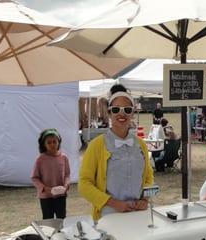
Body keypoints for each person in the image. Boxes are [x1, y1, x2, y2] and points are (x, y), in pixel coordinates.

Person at [78, 84, 154, 221]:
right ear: (109, 112)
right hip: (108, 216)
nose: (122, 113)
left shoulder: (141, 144)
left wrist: (145, 199)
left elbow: (148, 177)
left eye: (127, 109)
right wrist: (114, 204)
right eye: (116, 109)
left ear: (132, 112)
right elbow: (84, 184)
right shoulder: (97, 145)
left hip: (138, 214)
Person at [31, 129, 70, 219]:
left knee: (62, 219)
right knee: (48, 221)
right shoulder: (40, 159)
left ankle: (61, 233)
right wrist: (45, 188)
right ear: (44, 144)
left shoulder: (64, 158)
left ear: (58, 142)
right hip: (46, 197)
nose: (52, 144)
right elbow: (34, 178)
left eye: (54, 141)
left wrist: (66, 184)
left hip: (60, 196)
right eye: (49, 142)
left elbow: (67, 174)